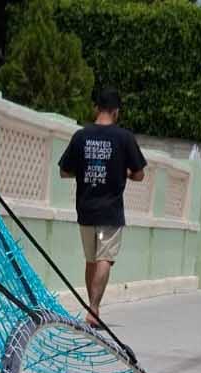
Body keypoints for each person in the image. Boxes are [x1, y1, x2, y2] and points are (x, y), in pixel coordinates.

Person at [58, 88, 146, 328]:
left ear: (96, 108)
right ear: (116, 111)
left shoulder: (81, 136)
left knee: (91, 259)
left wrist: (86, 170)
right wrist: (123, 171)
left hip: (85, 208)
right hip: (111, 211)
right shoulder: (124, 138)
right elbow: (139, 174)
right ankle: (94, 308)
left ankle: (91, 307)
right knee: (105, 258)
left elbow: (64, 170)